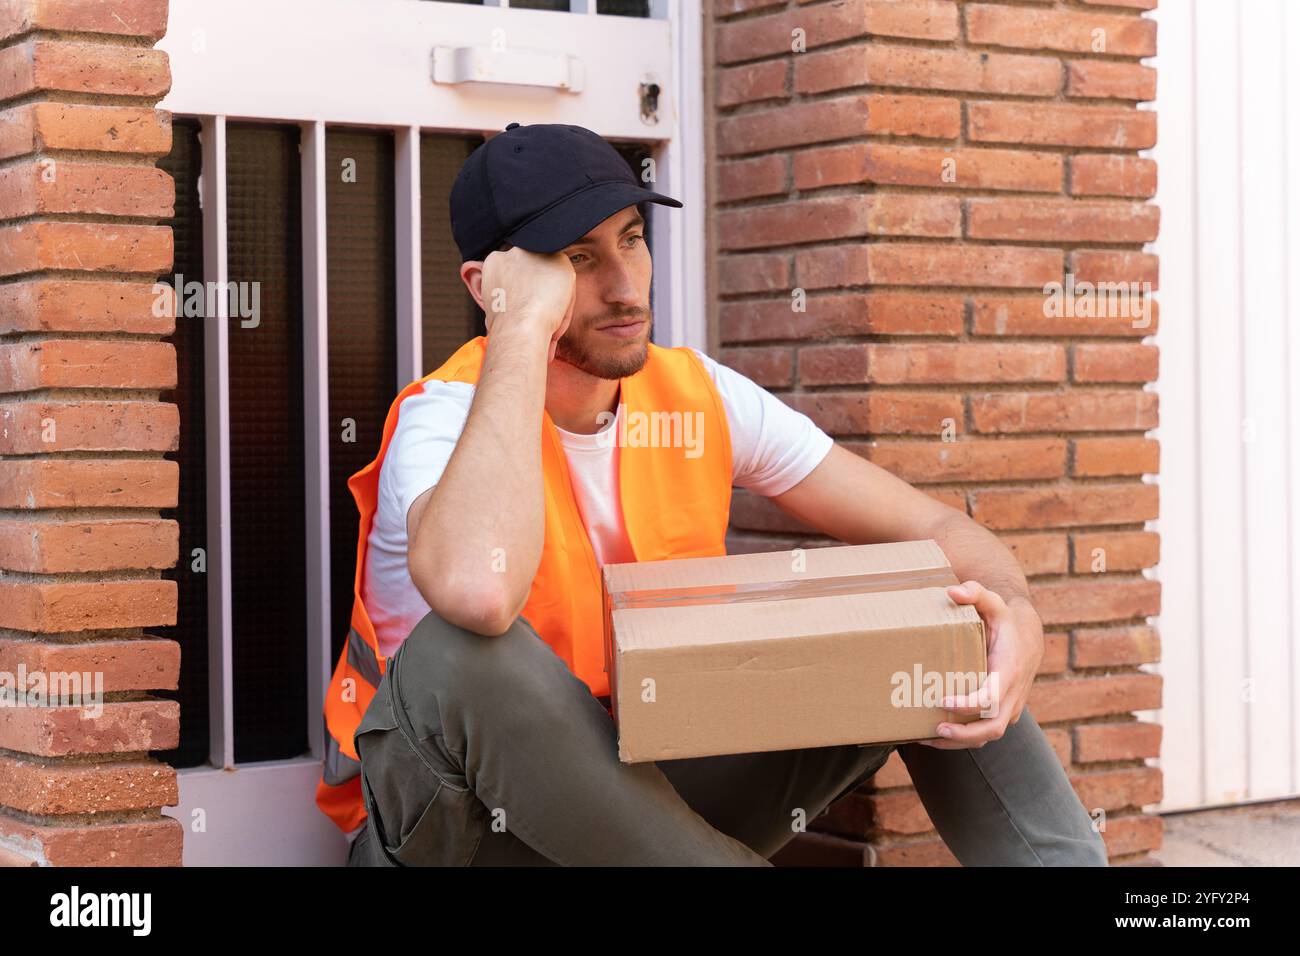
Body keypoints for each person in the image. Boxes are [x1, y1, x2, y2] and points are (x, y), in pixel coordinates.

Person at [317, 122, 1109, 867]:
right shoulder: (446, 417)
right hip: (469, 837)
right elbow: (480, 595)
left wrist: (1018, 616)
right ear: (494, 285)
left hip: (653, 809)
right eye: (580, 259)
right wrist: (520, 330)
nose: (626, 287)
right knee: (462, 653)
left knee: (949, 610)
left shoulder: (696, 396)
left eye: (631, 239)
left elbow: (935, 527)